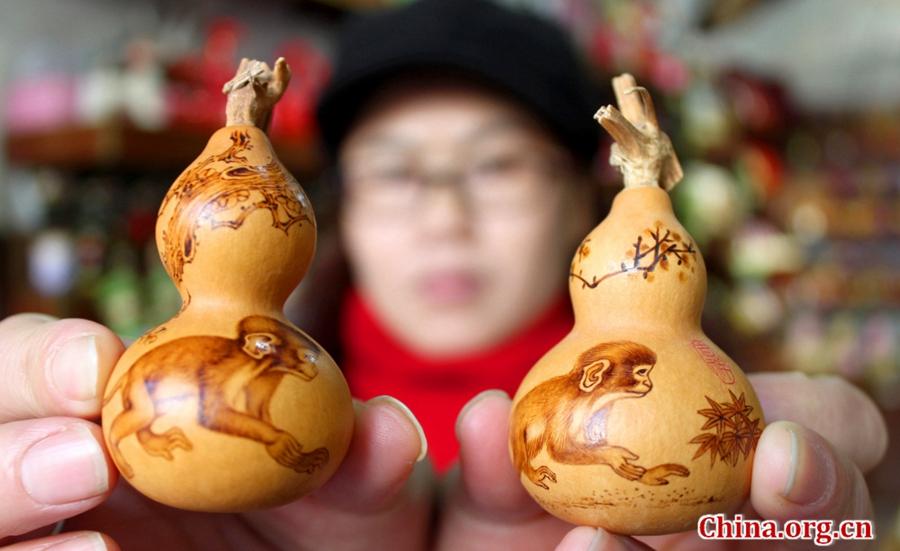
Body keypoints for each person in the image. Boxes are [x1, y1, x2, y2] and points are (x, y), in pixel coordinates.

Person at [0, 1, 886, 550]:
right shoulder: (190, 447)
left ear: (587, 196)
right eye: (396, 168)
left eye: (496, 165)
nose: (444, 214)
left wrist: (844, 524)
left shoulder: (738, 434)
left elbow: (839, 524)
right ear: (327, 206)